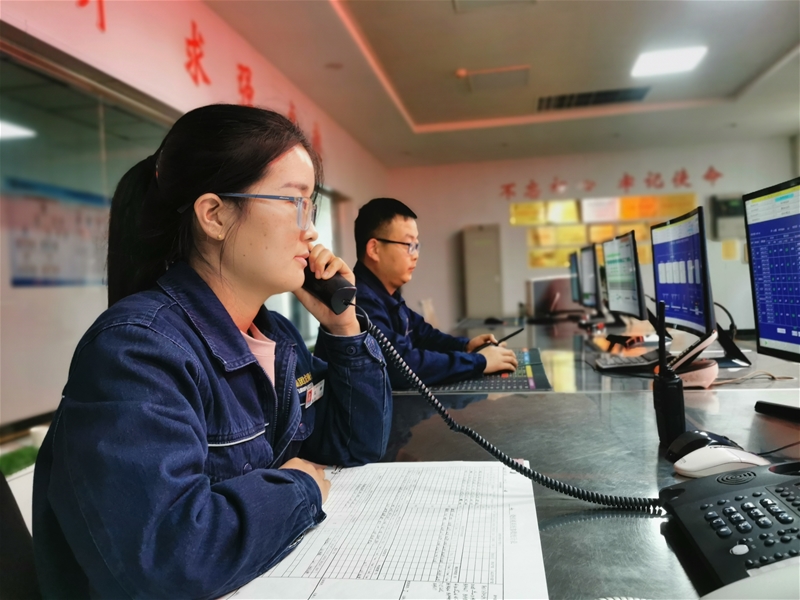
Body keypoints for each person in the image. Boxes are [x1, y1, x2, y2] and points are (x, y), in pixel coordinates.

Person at [32, 105, 392, 598]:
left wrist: (343, 326)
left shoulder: (278, 337)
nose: (310, 232)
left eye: (310, 207)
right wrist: (300, 488)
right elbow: (169, 554)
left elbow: (354, 446)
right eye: (294, 202)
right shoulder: (137, 349)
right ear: (215, 215)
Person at [347, 197, 517, 390]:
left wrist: (465, 346)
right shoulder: (360, 302)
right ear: (374, 249)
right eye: (408, 245)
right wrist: (479, 362)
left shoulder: (385, 295)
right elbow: (402, 365)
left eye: (417, 246)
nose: (415, 254)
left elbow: (424, 335)